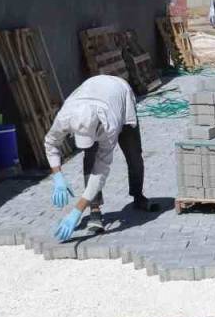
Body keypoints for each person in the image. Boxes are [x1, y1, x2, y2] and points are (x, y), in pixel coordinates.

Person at [45, 75, 160, 242]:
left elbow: (100, 173)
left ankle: (138, 196)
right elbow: (50, 143)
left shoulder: (110, 126)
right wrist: (57, 176)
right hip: (92, 88)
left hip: (120, 93)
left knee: (133, 153)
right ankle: (95, 210)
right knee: (89, 157)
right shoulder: (66, 116)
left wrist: (76, 211)